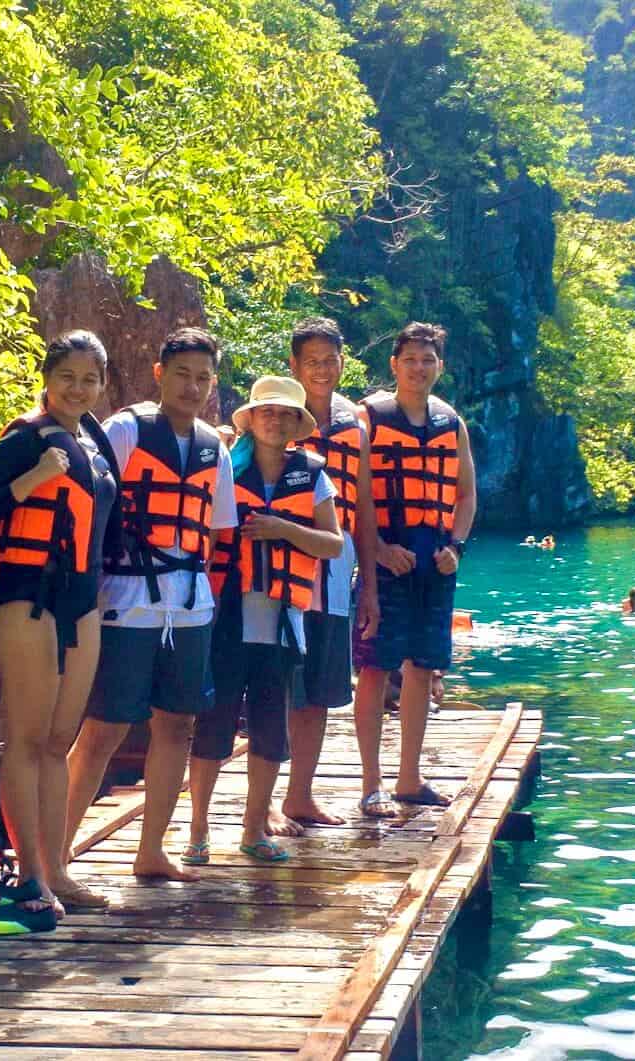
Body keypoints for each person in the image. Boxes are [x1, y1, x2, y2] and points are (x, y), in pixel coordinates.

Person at [62, 327, 235, 883]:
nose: (193, 386)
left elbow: (219, 531)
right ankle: (55, 851)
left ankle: (151, 850)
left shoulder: (215, 445)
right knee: (105, 728)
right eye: (182, 374)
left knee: (179, 724)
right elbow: (89, 506)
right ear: (160, 374)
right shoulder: (127, 429)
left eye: (203, 377)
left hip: (189, 605)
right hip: (126, 598)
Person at [0, 330, 121, 918]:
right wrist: (33, 479)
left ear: (102, 385)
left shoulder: (96, 440)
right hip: (28, 597)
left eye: (89, 379)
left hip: (81, 602)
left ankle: (57, 867)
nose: (77, 389)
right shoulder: (24, 439)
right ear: (47, 379)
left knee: (59, 740)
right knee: (28, 740)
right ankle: (31, 877)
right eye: (67, 377)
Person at [188, 376, 343, 864]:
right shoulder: (226, 469)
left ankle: (253, 829)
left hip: (282, 621)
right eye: (265, 411)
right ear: (252, 419)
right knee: (213, 726)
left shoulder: (313, 475)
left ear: (298, 424)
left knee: (270, 729)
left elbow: (334, 544)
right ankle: (197, 831)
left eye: (284, 414)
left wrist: (283, 529)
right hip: (227, 616)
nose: (274, 420)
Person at [352, 322, 477, 818]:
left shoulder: (451, 423)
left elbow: (465, 495)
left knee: (423, 668)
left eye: (428, 360)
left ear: (439, 367)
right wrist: (378, 548)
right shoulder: (371, 417)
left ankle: (410, 778)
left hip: (435, 559)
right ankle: (370, 783)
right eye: (410, 360)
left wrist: (457, 547)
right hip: (385, 554)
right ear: (394, 365)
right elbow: (353, 494)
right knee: (375, 668)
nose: (419, 368)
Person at [281, 317, 380, 829]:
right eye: (311, 360)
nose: (322, 369)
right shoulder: (274, 418)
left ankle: (300, 795)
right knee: (277, 686)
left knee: (320, 688)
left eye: (330, 360)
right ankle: (261, 803)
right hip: (280, 573)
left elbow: (362, 507)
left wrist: (370, 589)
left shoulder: (353, 425)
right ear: (294, 365)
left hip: (336, 574)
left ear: (343, 363)